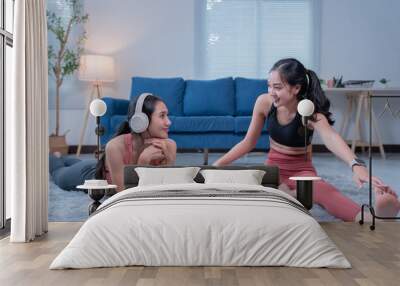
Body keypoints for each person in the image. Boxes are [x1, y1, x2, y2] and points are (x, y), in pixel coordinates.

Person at [213, 58, 400, 222]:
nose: (271, 92)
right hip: (273, 170)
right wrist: (218, 164)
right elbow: (248, 142)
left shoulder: (310, 113)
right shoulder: (264, 102)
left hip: (302, 172)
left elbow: (331, 137)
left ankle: (374, 217)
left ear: (296, 88)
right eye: (269, 86)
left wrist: (356, 165)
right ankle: (289, 194)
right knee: (248, 186)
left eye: (277, 87)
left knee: (326, 193)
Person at [49, 93, 177, 193]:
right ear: (141, 120)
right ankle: (52, 156)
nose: (169, 122)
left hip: (105, 165)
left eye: (167, 115)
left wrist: (170, 161)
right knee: (58, 172)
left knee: (76, 162)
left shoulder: (169, 145)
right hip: (91, 175)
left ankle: (64, 158)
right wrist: (142, 162)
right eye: (162, 116)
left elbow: (161, 191)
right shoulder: (115, 147)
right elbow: (124, 194)